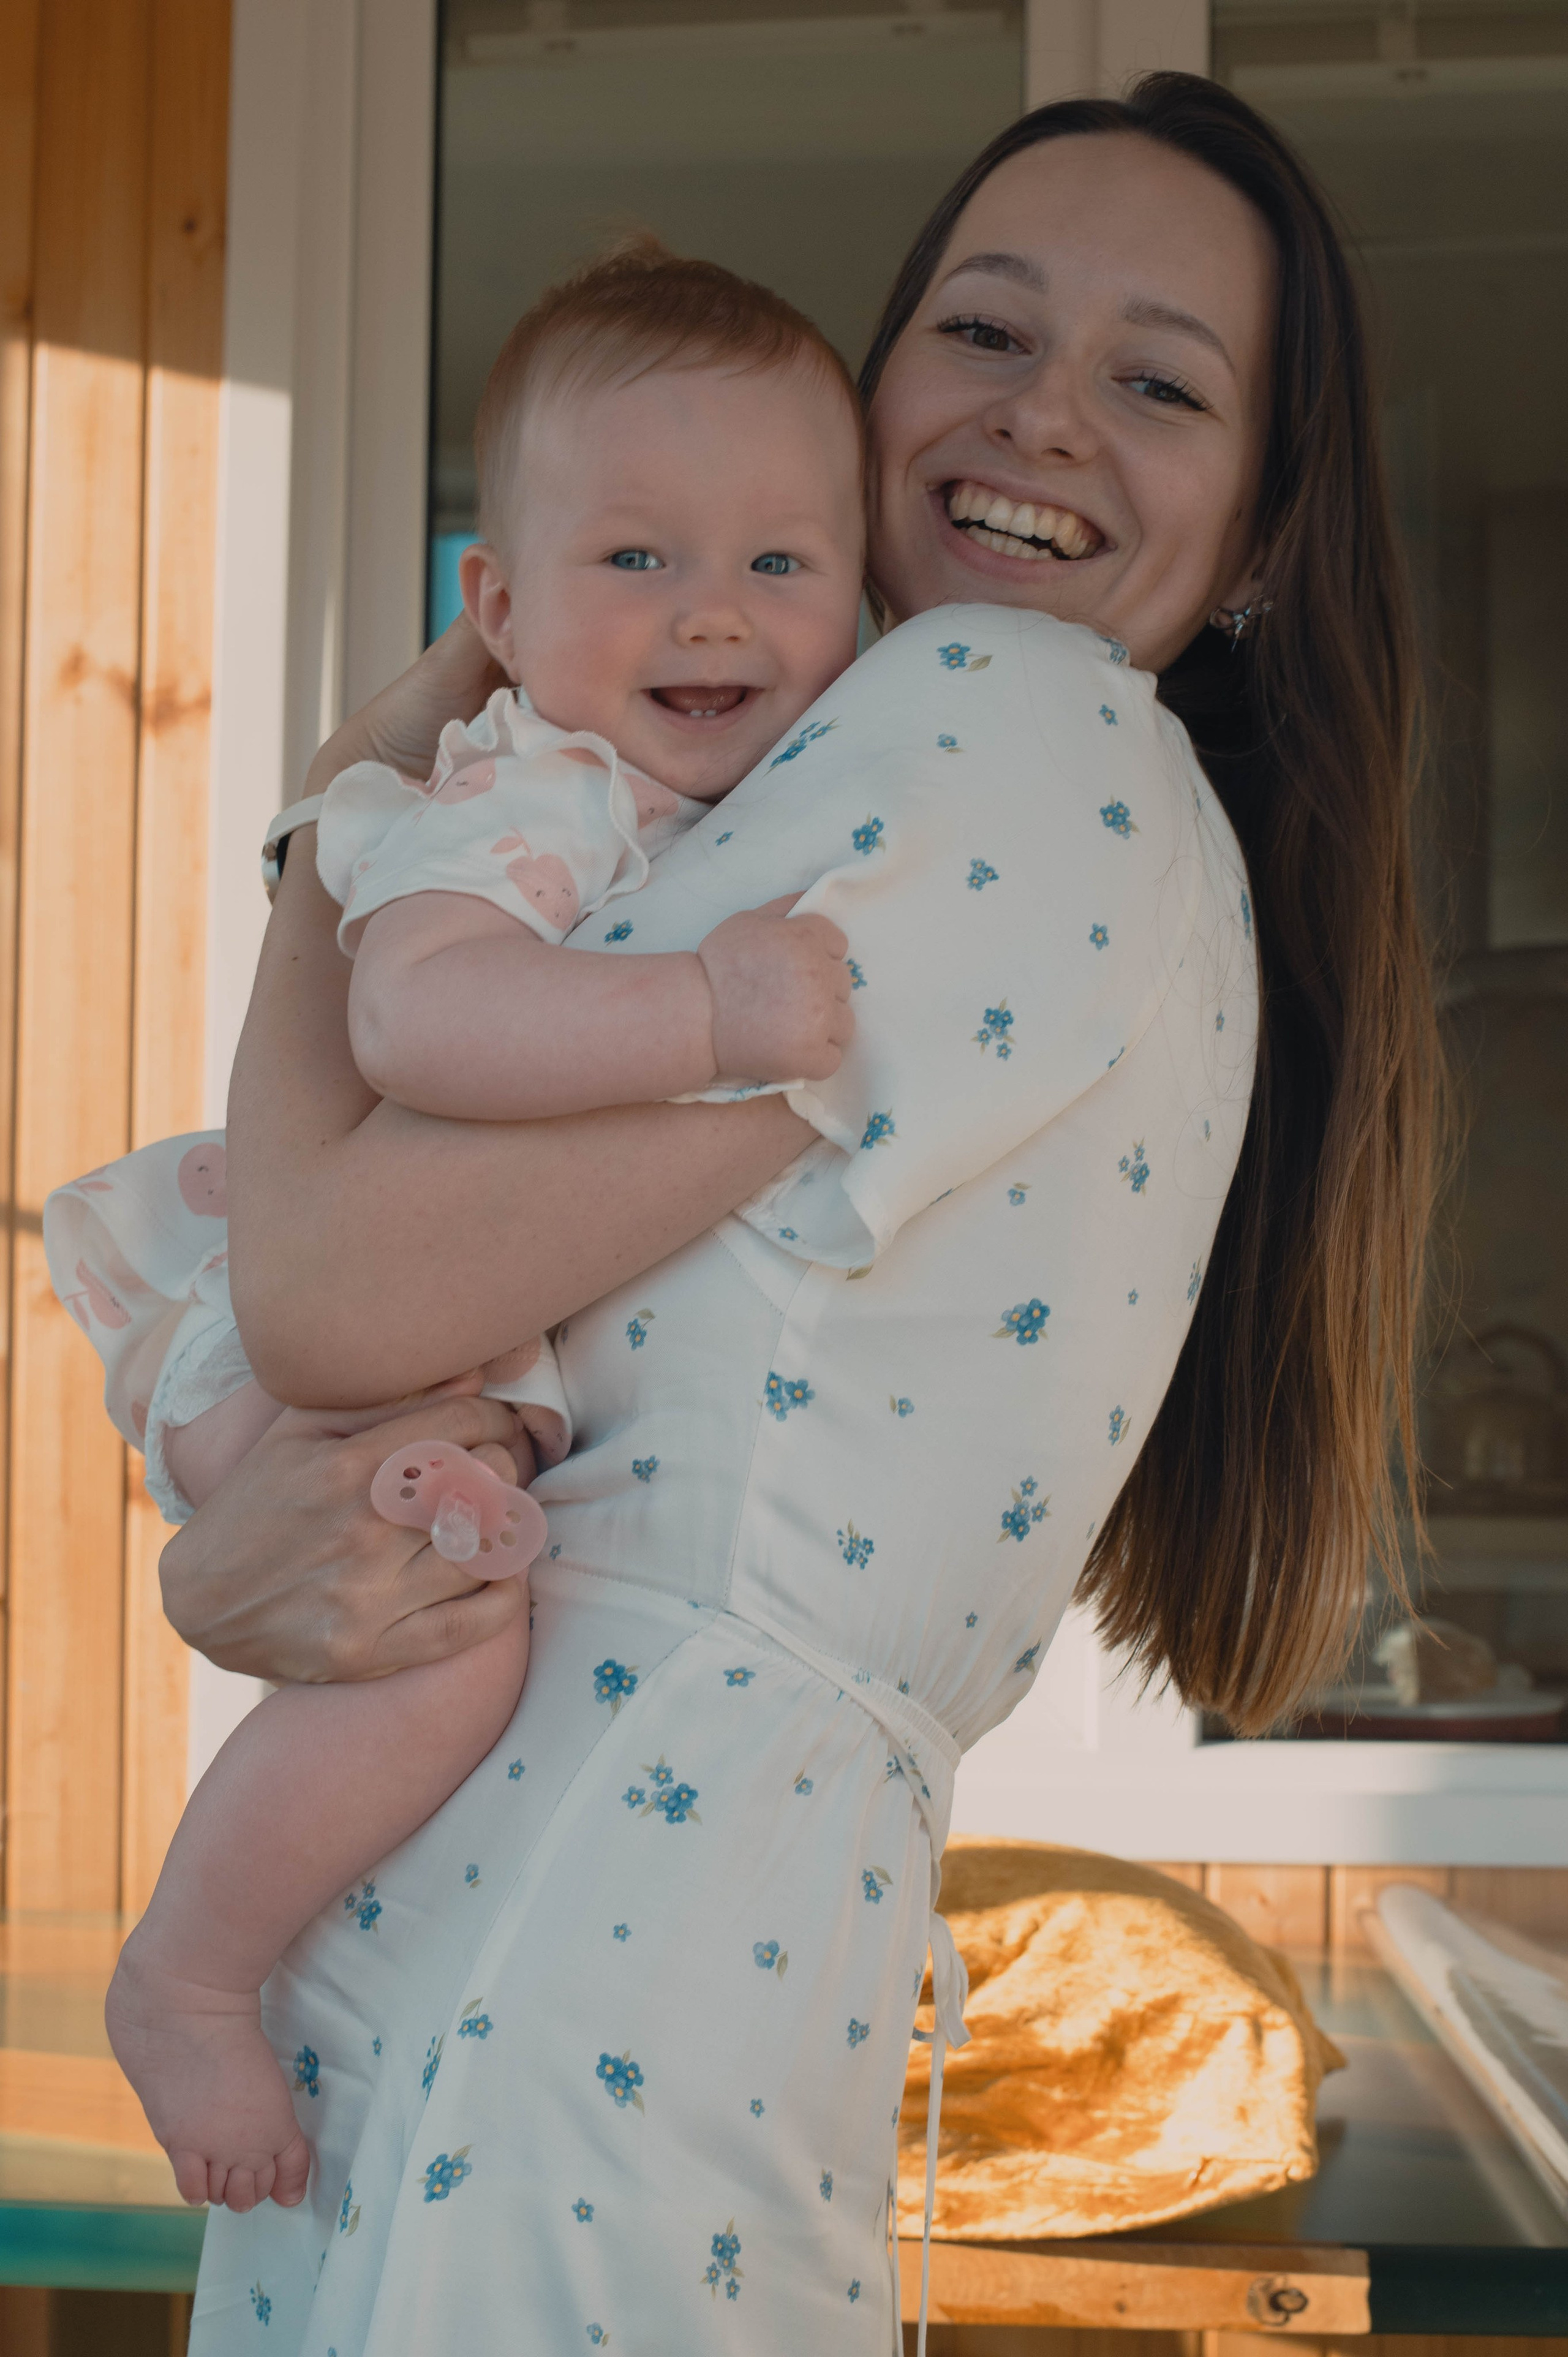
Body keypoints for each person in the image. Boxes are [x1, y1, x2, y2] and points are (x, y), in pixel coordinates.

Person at [148, 77, 1436, 2356]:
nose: (1043, 420)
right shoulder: (865, 776)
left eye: (1157, 382)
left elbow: (336, 1284)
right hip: (583, 1990)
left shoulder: (1010, 726)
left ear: (1255, 535)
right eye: (986, 330)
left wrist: (376, 774)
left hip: (558, 1982)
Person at [51, 243, 870, 2214]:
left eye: (782, 567)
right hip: (283, 1330)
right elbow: (417, 1010)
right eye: (638, 562)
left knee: (448, 1635)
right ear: (493, 611)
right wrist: (712, 1019)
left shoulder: (699, 806)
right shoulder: (538, 795)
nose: (715, 615)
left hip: (417, 1351)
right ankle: (186, 1980)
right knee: (448, 1665)